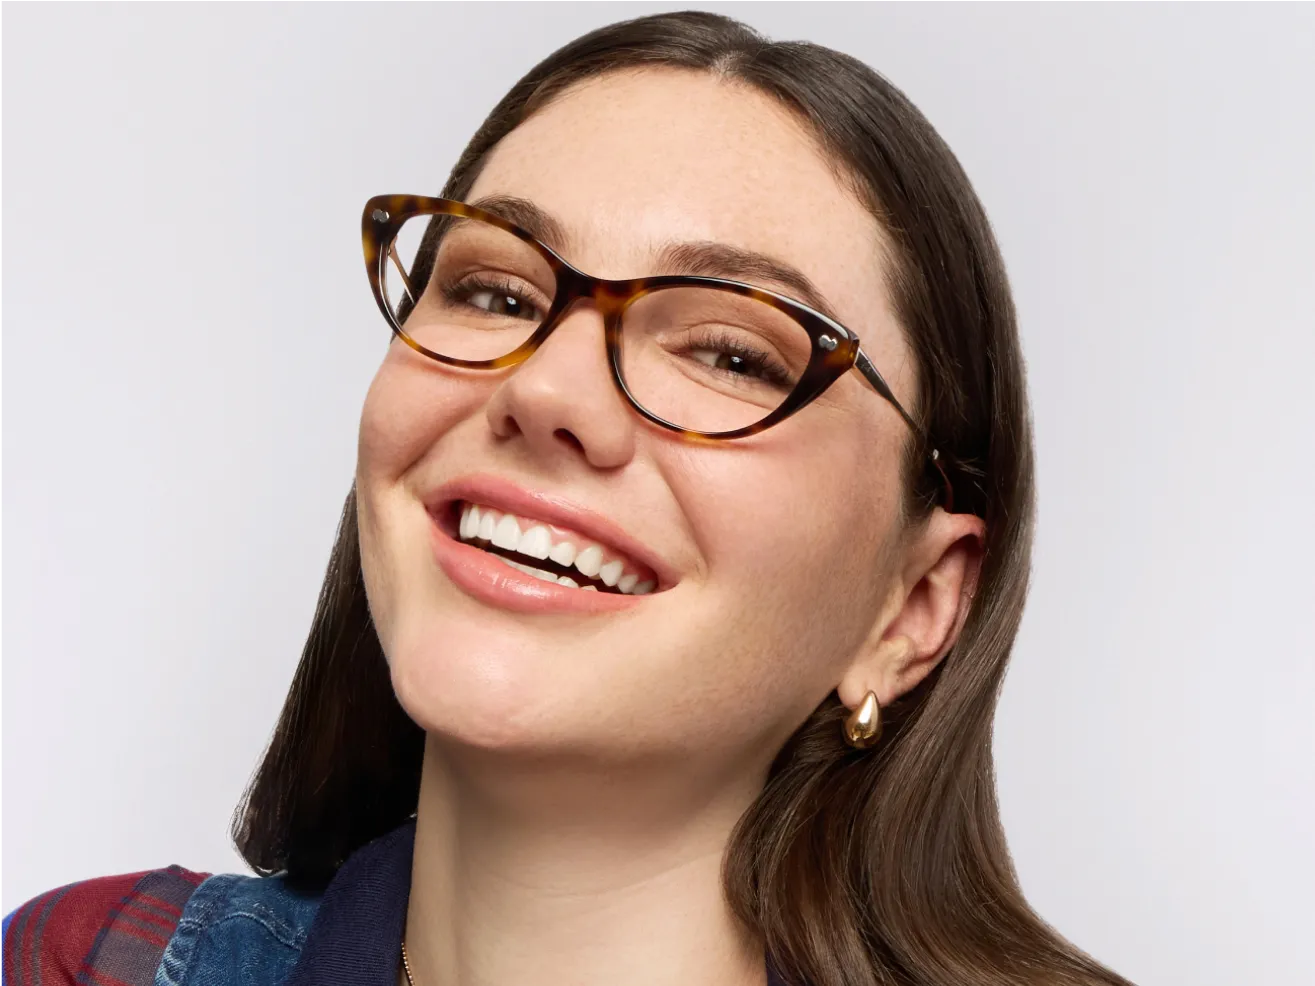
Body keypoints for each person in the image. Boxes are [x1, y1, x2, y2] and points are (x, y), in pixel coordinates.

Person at [1, 11, 1135, 986]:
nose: (545, 389)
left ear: (916, 602)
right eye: (493, 289)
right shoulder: (84, 961)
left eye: (732, 355)